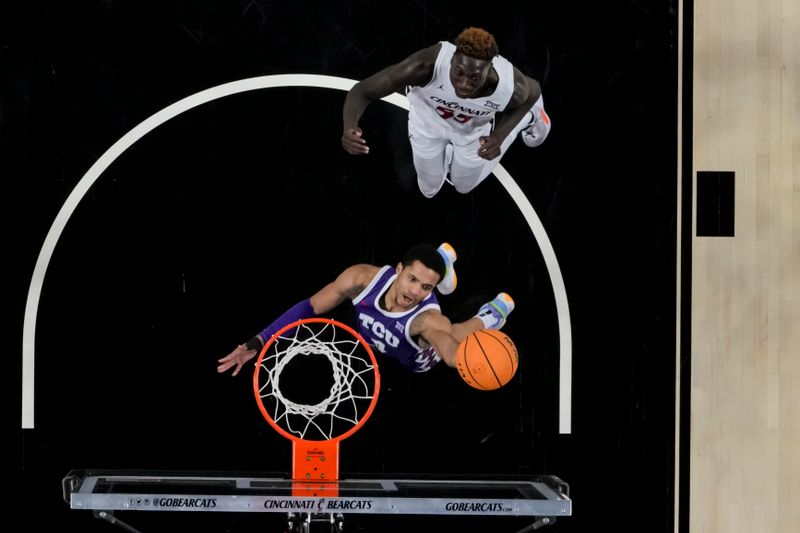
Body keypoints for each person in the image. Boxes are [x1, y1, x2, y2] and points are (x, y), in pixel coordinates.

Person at [217, 243, 515, 375]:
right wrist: (259, 341)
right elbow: (311, 306)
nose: (414, 292)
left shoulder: (427, 320)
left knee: (458, 332)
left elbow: (450, 350)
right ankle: (439, 261)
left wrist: (469, 363)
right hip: (378, 339)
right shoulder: (361, 279)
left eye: (426, 287)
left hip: (414, 358)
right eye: (412, 279)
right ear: (398, 269)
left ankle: (489, 316)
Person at [341, 26, 551, 198]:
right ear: (452, 60)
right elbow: (362, 91)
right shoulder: (424, 67)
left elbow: (534, 92)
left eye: (474, 78)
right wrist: (349, 126)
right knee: (428, 189)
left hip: (472, 134)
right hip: (427, 126)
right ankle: (449, 156)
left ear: (489, 69)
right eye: (459, 73)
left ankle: (531, 118)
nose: (464, 85)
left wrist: (500, 135)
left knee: (462, 186)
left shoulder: (508, 86)